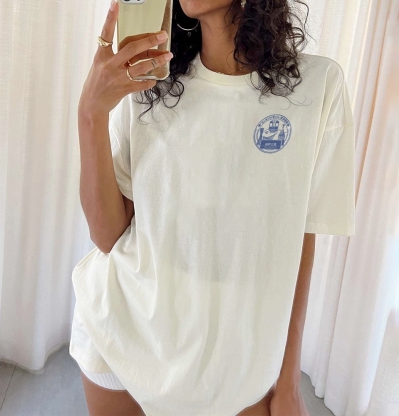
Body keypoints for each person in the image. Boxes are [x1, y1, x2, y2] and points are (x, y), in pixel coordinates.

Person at [69, 0, 356, 415]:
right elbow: (108, 236)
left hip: (238, 363)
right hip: (123, 336)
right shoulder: (152, 83)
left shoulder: (316, 86)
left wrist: (288, 380)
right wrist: (90, 114)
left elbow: (300, 237)